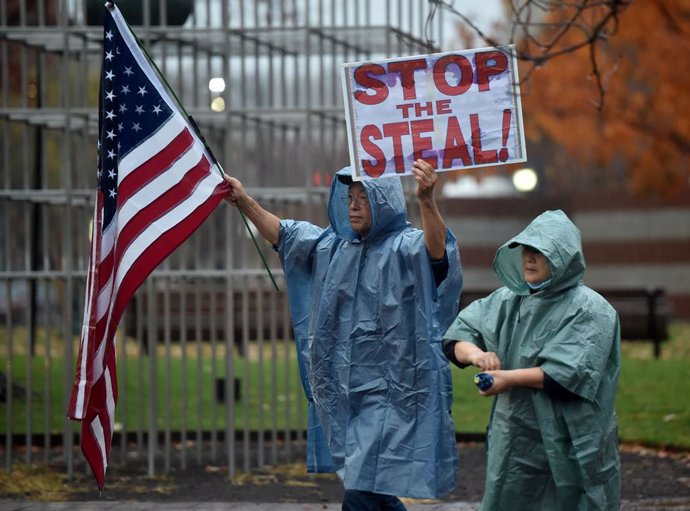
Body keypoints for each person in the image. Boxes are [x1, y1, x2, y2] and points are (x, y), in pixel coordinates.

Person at [224, 160, 462, 510]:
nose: (352, 206)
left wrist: (427, 200)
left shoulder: (405, 246)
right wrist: (244, 200)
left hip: (395, 392)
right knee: (370, 488)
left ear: (384, 201)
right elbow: (284, 235)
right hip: (347, 395)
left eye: (363, 198)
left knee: (360, 489)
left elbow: (437, 255)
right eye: (349, 197)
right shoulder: (333, 246)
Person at [443, 209, 621, 511]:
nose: (529, 258)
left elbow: (566, 375)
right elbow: (455, 338)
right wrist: (478, 356)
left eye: (540, 251)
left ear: (563, 258)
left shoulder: (592, 309)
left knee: (575, 498)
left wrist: (506, 379)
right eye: (527, 249)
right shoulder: (507, 300)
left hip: (573, 437)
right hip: (515, 436)